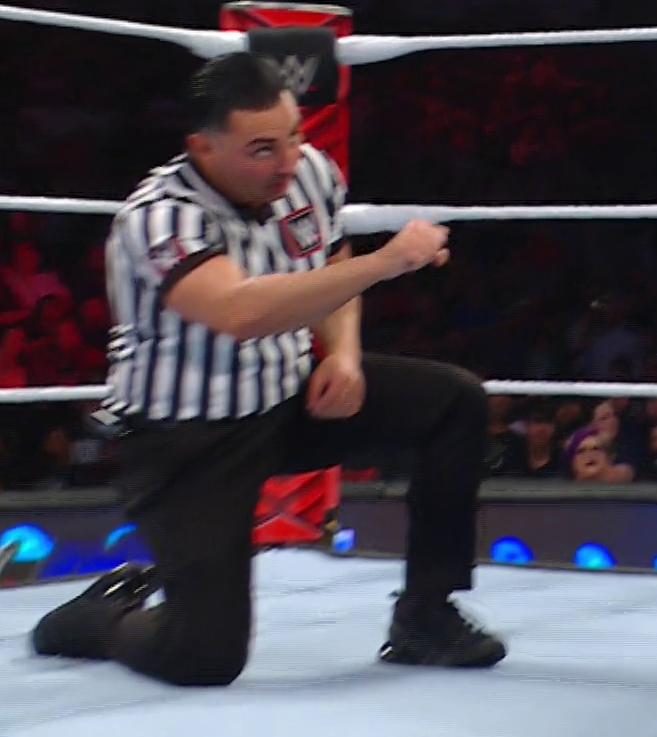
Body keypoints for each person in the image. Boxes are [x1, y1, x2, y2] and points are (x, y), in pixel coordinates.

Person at [28, 53, 504, 686]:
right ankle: (102, 617)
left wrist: (343, 354)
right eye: (261, 149)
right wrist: (389, 261)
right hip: (188, 440)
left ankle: (426, 616)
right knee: (205, 656)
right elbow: (239, 311)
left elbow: (330, 258)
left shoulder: (307, 172)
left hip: (286, 398)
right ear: (202, 146)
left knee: (455, 401)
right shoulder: (160, 216)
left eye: (294, 136)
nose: (286, 162)